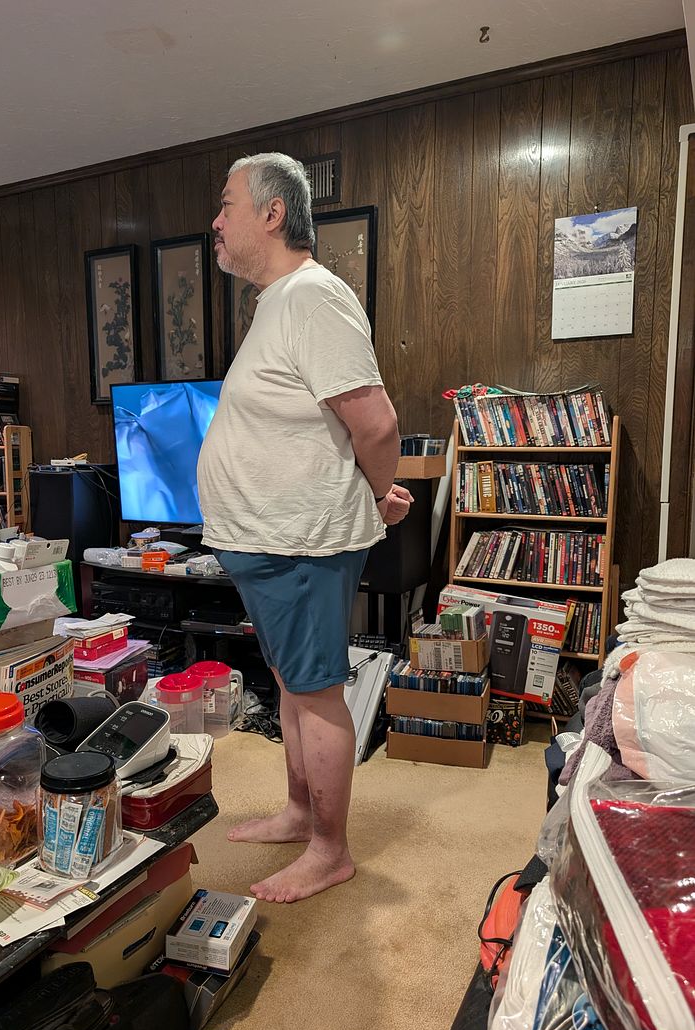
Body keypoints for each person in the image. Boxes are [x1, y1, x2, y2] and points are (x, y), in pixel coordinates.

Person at [197, 152, 412, 904]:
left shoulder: (314, 297)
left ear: (272, 212)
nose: (216, 221)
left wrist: (373, 494)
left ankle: (330, 849)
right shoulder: (278, 303)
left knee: (315, 690)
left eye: (227, 204)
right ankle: (299, 813)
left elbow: (375, 423)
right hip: (268, 541)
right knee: (293, 683)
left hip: (296, 544)